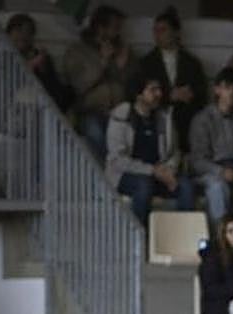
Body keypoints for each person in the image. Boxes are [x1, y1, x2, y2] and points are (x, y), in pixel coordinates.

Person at [106, 73, 194, 224]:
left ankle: (185, 237)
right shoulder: (122, 116)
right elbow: (117, 160)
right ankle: (140, 239)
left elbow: (175, 152)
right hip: (126, 174)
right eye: (153, 90)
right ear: (139, 94)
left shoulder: (164, 117)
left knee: (186, 186)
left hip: (159, 174)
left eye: (159, 89)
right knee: (144, 185)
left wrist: (169, 171)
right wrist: (153, 170)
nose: (159, 94)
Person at [62, 5, 136, 161]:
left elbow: (133, 86)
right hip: (90, 111)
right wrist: (103, 62)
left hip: (119, 112)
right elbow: (78, 86)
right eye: (115, 28)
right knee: (96, 134)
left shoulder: (122, 50)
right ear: (100, 28)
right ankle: (104, 179)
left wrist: (122, 66)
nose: (118, 32)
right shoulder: (77, 51)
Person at [189, 67, 233, 227]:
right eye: (227, 88)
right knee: (218, 187)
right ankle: (222, 235)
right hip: (211, 170)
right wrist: (221, 172)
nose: (232, 92)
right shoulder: (203, 120)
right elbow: (198, 160)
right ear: (217, 89)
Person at [137, 7, 206, 155]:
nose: (157, 34)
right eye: (155, 30)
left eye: (163, 30)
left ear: (176, 32)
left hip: (186, 120)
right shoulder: (146, 63)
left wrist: (189, 95)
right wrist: (169, 95)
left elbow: (202, 93)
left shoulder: (192, 63)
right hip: (156, 119)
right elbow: (139, 93)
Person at [4, 14, 72, 112]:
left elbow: (53, 88)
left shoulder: (40, 56)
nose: (23, 35)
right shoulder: (1, 55)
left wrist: (43, 70)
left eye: (28, 32)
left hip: (41, 108)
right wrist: (32, 64)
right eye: (19, 30)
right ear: (9, 33)